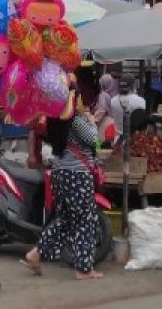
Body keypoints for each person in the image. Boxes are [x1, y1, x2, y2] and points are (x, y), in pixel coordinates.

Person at [22, 115, 104, 280]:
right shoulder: (77, 121)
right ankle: (84, 269)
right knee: (85, 220)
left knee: (65, 219)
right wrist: (93, 123)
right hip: (77, 174)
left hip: (60, 173)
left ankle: (36, 254)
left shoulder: (55, 121)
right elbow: (96, 142)